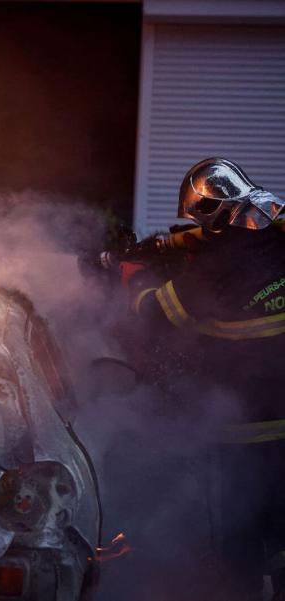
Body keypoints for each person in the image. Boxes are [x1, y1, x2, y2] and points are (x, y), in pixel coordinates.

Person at [122, 157, 285, 600]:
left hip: (245, 439)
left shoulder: (214, 271)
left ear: (211, 214)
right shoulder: (275, 237)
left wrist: (135, 281)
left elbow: (157, 315)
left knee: (239, 545)